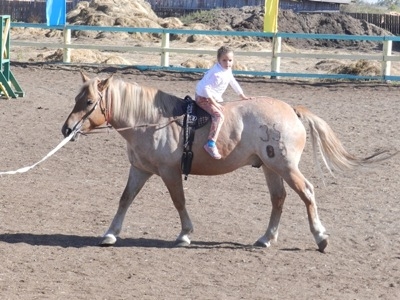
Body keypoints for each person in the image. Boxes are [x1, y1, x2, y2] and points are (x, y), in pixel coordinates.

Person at [195, 46, 249, 159]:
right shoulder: (216, 74)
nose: (227, 63)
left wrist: (242, 95)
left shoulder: (227, 70)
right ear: (218, 60)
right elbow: (206, 89)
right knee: (219, 116)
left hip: (213, 96)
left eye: (230, 60)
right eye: (224, 60)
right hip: (203, 98)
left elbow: (232, 81)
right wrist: (214, 104)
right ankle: (210, 143)